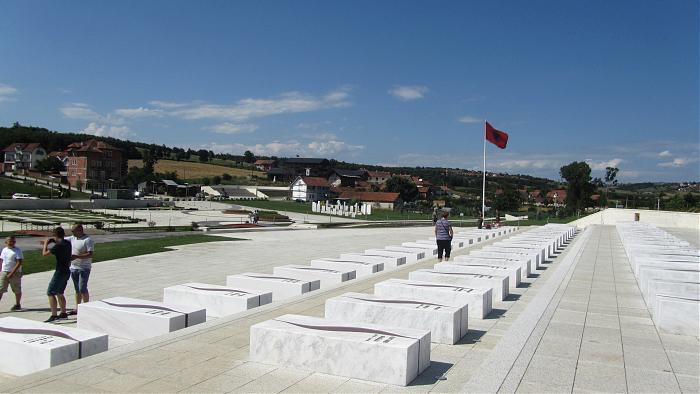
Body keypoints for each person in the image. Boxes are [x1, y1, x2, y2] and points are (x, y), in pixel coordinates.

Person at [42, 227, 71, 322]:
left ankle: (54, 315)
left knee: (50, 292)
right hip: (67, 271)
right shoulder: (67, 243)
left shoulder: (57, 246)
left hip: (59, 271)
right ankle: (63, 313)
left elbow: (44, 254)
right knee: (60, 292)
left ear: (55, 235)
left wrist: (46, 243)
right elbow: (60, 243)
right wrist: (54, 241)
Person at [67, 224, 94, 313]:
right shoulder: (73, 238)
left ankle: (87, 307)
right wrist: (50, 241)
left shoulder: (87, 240)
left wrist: (76, 256)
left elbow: (90, 254)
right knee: (77, 289)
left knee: (82, 288)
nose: (72, 232)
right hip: (74, 267)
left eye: (73, 231)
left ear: (79, 230)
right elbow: (61, 240)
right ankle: (77, 308)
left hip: (84, 268)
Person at [0, 236, 23, 311]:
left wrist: (11, 273)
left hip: (15, 273)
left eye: (13, 241)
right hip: (4, 272)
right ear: (6, 242)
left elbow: (19, 263)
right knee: (0, 289)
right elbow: (2, 260)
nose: (12, 243)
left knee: (16, 290)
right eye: (10, 241)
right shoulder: (4, 250)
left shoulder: (17, 251)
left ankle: (17, 304)